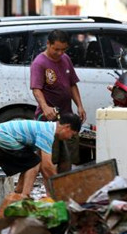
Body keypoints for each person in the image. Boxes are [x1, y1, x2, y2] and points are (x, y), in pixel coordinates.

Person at [30, 29, 86, 171]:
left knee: (69, 157)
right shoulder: (39, 63)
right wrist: (45, 107)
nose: (60, 53)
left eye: (63, 49)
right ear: (48, 44)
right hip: (49, 119)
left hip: (67, 116)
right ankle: (50, 187)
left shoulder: (65, 59)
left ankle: (65, 185)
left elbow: (72, 84)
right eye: (56, 49)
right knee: (51, 158)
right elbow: (36, 89)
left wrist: (79, 105)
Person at [0, 115, 81, 197]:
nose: (69, 138)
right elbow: (47, 166)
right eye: (72, 135)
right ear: (67, 127)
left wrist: (50, 193)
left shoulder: (47, 128)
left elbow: (44, 168)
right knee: (33, 163)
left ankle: (18, 193)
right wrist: (60, 185)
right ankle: (24, 196)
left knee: (30, 163)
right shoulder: (47, 132)